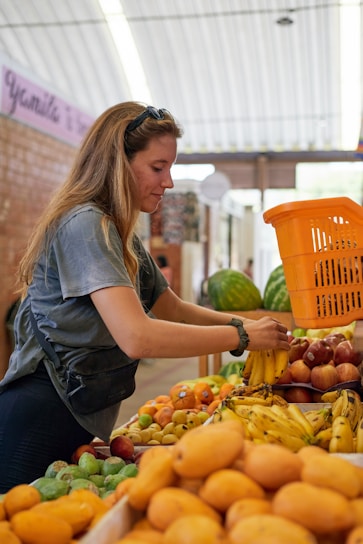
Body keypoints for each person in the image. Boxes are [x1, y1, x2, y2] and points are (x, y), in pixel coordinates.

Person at [0, 102, 289, 492]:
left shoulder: (121, 236)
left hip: (78, 412)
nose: (168, 182)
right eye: (158, 167)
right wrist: (242, 337)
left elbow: (175, 309)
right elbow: (138, 336)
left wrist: (246, 324)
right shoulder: (87, 225)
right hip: (41, 412)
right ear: (119, 162)